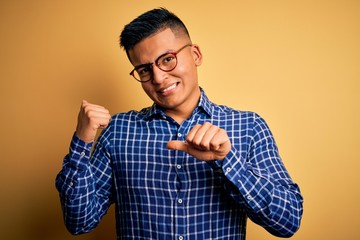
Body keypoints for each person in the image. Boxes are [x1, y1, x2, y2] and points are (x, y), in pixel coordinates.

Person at [55, 7, 303, 239]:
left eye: (167, 59)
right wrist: (82, 141)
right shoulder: (118, 132)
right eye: (144, 70)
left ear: (195, 55)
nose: (159, 78)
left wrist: (228, 161)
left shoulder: (249, 127)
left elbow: (288, 221)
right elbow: (80, 222)